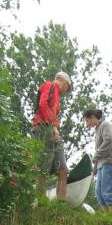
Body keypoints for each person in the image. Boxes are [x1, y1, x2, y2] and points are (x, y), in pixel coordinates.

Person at [32, 71, 72, 201]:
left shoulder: (57, 96)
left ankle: (60, 204)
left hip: (53, 131)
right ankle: (41, 202)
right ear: (64, 81)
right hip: (43, 128)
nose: (66, 91)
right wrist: (53, 125)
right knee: (43, 168)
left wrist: (55, 127)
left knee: (63, 170)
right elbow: (42, 104)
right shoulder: (50, 85)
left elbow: (54, 114)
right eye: (68, 87)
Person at [83, 108, 112, 212]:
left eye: (87, 121)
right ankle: (107, 216)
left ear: (92, 117)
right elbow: (98, 151)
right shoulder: (97, 129)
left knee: (106, 191)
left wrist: (96, 156)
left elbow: (109, 140)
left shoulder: (105, 124)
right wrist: (94, 170)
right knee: (99, 192)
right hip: (101, 164)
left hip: (109, 162)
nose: (87, 124)